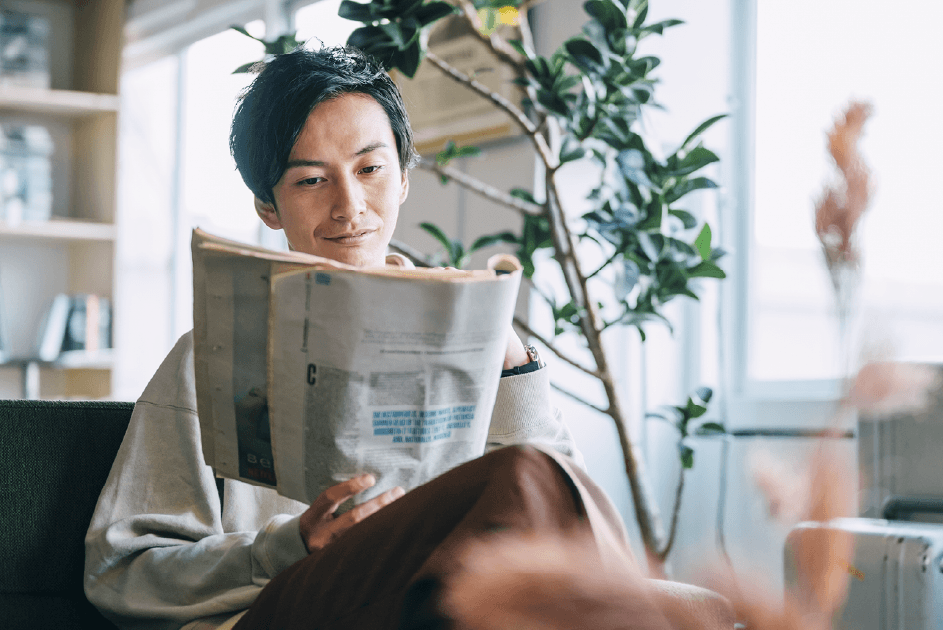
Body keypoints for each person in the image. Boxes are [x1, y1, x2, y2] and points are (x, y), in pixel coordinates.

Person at [84, 44, 597, 630]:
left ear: (404, 178)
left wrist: (512, 364)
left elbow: (568, 526)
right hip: (292, 610)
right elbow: (118, 575)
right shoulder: (208, 357)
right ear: (268, 207)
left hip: (438, 605)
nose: (349, 207)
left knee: (530, 485)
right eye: (310, 180)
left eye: (370, 169)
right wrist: (291, 546)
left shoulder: (475, 338)